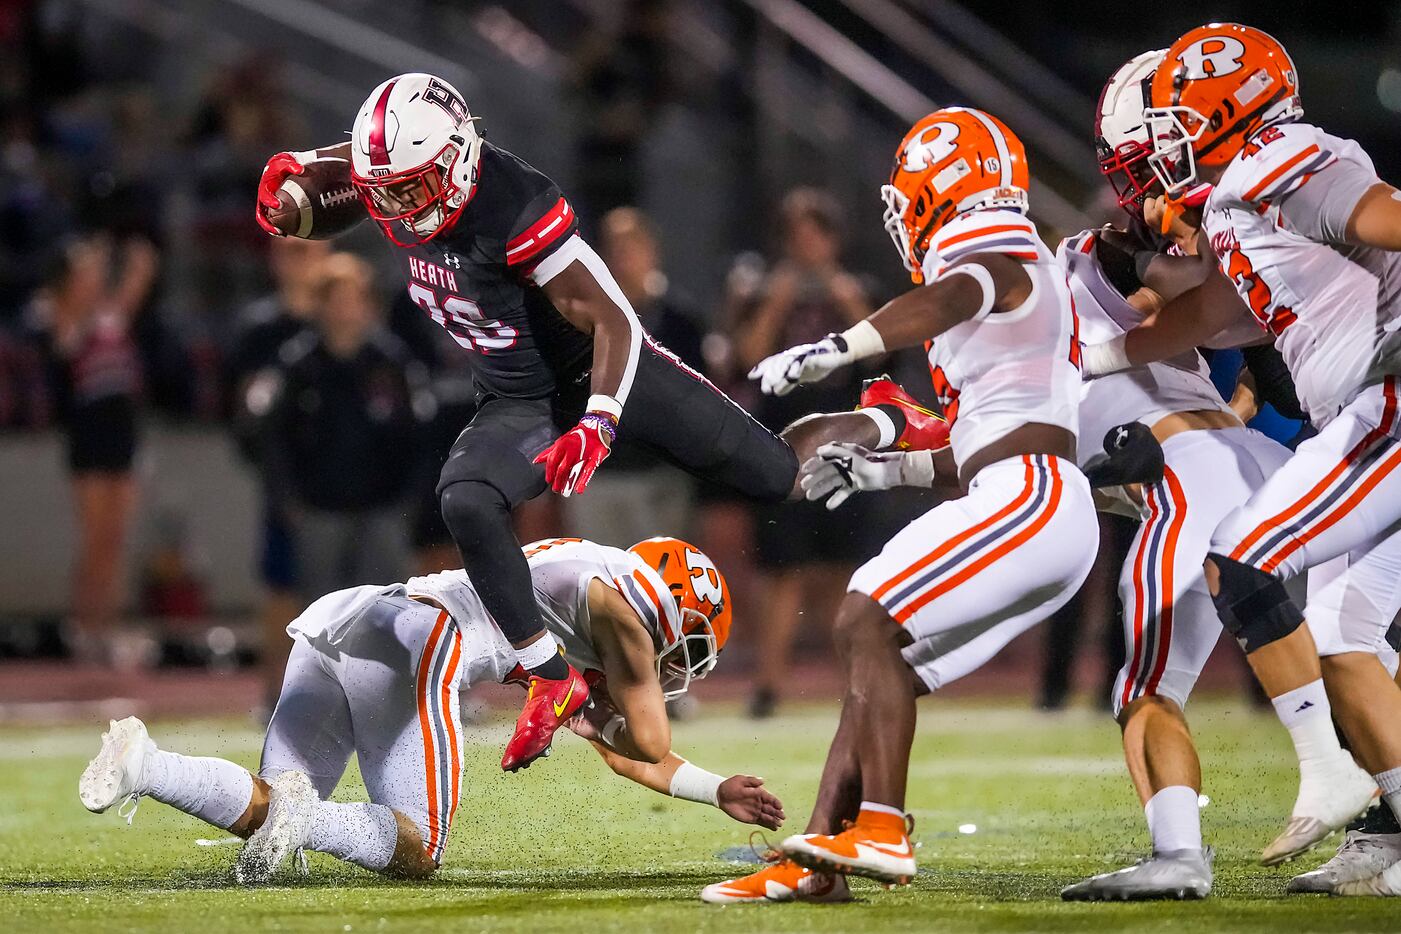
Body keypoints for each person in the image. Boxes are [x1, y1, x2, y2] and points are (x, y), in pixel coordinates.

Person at [252, 73, 890, 772]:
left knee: (781, 476)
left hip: (610, 372)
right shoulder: (399, 171)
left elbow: (614, 315)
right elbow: (344, 179)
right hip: (519, 397)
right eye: (387, 192)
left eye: (410, 188)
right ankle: (550, 678)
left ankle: (881, 423)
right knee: (466, 499)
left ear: (458, 158)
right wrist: (295, 198)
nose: (400, 207)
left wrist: (600, 420)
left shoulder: (516, 205)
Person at [702, 108, 1098, 903]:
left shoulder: (986, 244)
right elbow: (977, 441)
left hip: (1031, 494)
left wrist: (843, 345)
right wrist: (885, 472)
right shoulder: (1008, 288)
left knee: (861, 615)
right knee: (874, 661)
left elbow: (964, 287)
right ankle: (818, 865)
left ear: (938, 184)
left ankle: (881, 825)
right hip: (1020, 493)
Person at [1080, 23, 1401, 896]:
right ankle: (1390, 831)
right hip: (1356, 413)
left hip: (1386, 411)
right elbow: (1212, 314)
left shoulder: (1272, 160)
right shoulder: (1237, 200)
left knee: (1247, 562)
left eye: (1182, 121)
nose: (1169, 149)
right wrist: (1098, 355)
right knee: (1344, 639)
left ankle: (1328, 773)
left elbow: (1386, 218)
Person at [78, 536, 784, 881]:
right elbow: (651, 738)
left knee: (279, 815)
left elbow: (623, 754)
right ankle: (147, 766)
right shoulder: (625, 604)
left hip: (351, 618)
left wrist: (714, 788)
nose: (671, 666)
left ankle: (147, 764)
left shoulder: (587, 585)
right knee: (417, 849)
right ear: (670, 608)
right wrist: (607, 712)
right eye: (684, 644)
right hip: (420, 641)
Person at [736, 189, 878, 718]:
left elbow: (883, 351)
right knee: (782, 572)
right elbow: (748, 357)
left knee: (846, 571)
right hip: (786, 447)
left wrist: (845, 299)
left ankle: (857, 684)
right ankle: (769, 685)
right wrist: (776, 301)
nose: (807, 246)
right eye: (797, 236)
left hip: (848, 444)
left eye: (816, 234)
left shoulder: (857, 290)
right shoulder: (763, 291)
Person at [259, 253, 429, 603]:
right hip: (318, 506)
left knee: (388, 608)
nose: (345, 311)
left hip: (383, 506)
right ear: (319, 306)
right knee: (323, 614)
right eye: (336, 301)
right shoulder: (297, 365)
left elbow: (418, 433)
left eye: (354, 301)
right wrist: (286, 497)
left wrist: (411, 498)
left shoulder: (392, 363)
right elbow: (271, 435)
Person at [42, 235, 159, 665]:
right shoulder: (63, 316)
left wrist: (134, 263)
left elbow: (138, 280)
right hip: (89, 437)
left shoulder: (111, 315)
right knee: (93, 540)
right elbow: (65, 342)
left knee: (115, 539)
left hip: (122, 433)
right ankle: (84, 626)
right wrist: (85, 274)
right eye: (83, 275)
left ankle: (105, 628)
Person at [227, 236, 330, 709]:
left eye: (309, 249)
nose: (302, 261)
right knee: (282, 586)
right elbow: (245, 412)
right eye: (291, 251)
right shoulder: (261, 329)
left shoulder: (346, 314)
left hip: (353, 477)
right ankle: (278, 694)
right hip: (291, 478)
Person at [562, 207, 703, 546]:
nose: (623, 257)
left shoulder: (680, 321)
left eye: (632, 246)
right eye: (615, 248)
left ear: (652, 251)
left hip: (661, 474)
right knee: (599, 582)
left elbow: (698, 395)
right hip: (600, 474)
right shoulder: (584, 318)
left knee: (662, 583)